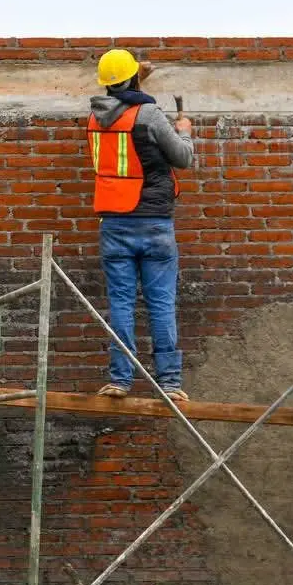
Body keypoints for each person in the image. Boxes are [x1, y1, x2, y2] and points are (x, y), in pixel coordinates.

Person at [88, 49, 195, 401]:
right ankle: (170, 383)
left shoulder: (95, 117)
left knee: (121, 303)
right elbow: (183, 159)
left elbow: (121, 106)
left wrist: (135, 79)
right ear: (132, 78)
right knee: (160, 303)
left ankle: (120, 380)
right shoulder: (149, 114)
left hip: (114, 223)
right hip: (153, 223)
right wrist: (185, 132)